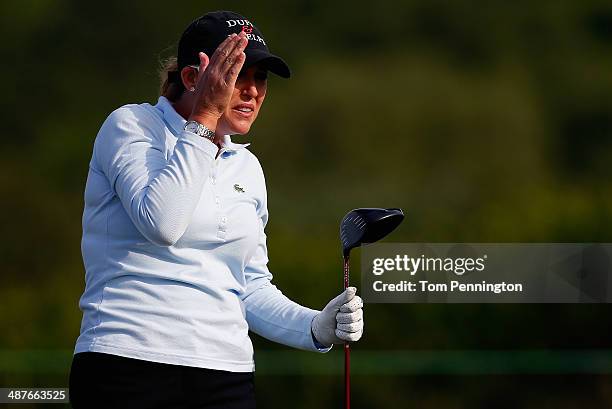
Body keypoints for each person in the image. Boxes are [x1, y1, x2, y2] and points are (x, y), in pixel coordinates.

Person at [68, 10, 364, 409]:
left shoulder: (247, 167)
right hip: (126, 363)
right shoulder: (131, 126)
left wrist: (314, 327)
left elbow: (249, 287)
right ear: (193, 78)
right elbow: (163, 223)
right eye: (238, 75)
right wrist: (205, 118)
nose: (253, 91)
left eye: (260, 79)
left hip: (226, 374)